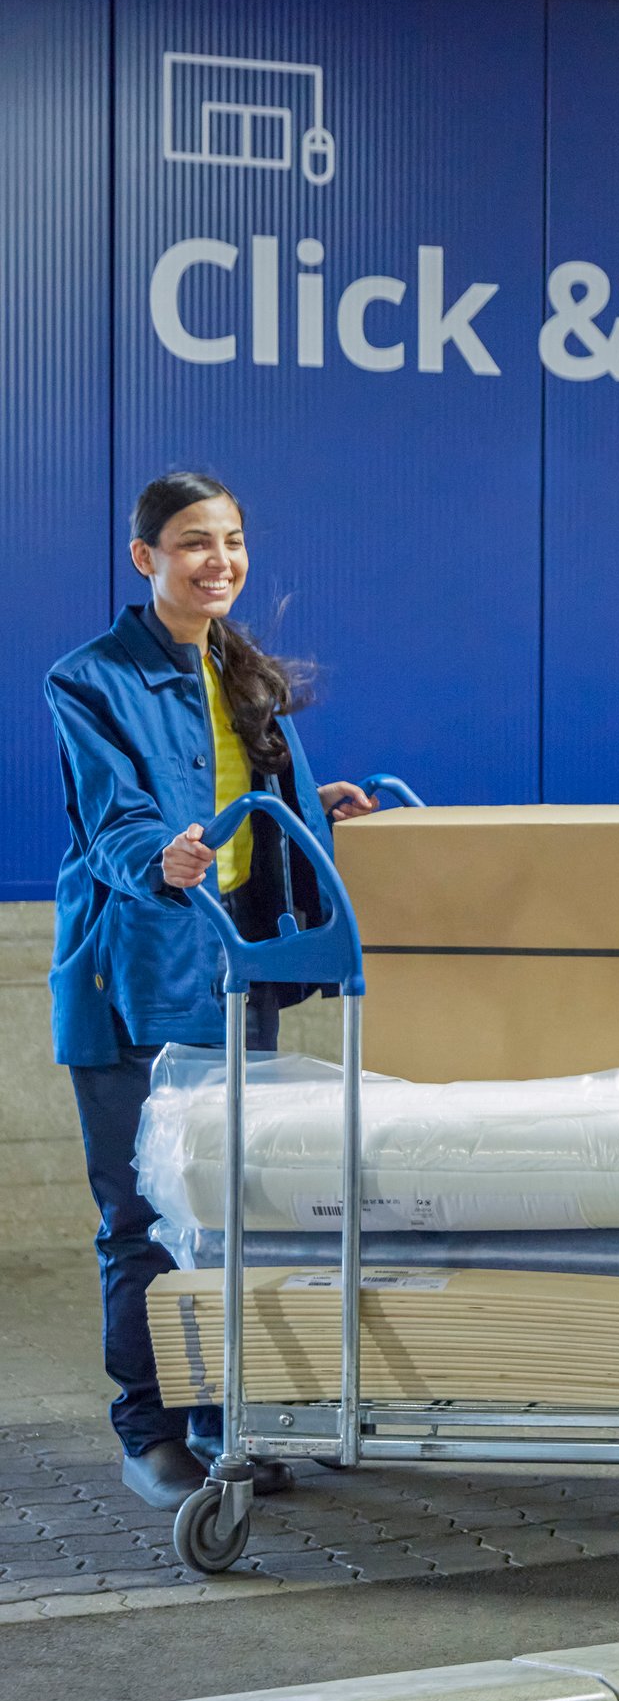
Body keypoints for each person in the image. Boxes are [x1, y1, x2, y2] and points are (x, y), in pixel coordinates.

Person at [47, 471, 376, 1508]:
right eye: (193, 542)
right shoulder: (90, 678)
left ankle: (223, 1415)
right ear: (145, 557)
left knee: (233, 1213)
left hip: (243, 973)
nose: (218, 561)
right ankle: (150, 1432)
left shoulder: (243, 671)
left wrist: (307, 804)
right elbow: (116, 819)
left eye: (231, 541)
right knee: (144, 1218)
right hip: (136, 975)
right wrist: (162, 856)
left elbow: (236, 792)